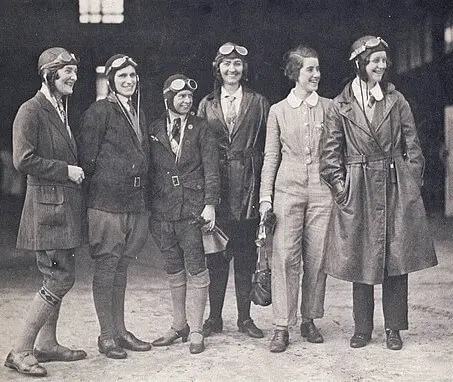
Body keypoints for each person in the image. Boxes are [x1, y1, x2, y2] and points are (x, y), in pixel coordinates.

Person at [319, 35, 438, 350]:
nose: (381, 67)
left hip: (395, 183)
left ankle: (394, 329)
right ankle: (362, 328)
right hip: (358, 187)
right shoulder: (340, 105)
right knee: (361, 257)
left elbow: (413, 145)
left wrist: (409, 183)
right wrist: (342, 189)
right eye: (375, 61)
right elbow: (330, 154)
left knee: (395, 258)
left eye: (384, 61)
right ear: (360, 64)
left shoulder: (396, 101)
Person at [5, 47, 86, 377]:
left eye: (75, 72)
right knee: (60, 276)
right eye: (66, 71)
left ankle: (47, 344)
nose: (73, 77)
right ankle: (21, 349)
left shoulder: (59, 108)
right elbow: (22, 160)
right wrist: (66, 170)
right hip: (46, 209)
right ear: (48, 74)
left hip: (60, 208)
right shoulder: (31, 110)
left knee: (59, 272)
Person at [259, 45, 333, 353]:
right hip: (287, 191)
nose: (316, 74)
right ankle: (281, 326)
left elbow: (337, 153)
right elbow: (271, 156)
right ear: (295, 73)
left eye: (317, 69)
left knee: (316, 259)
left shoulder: (330, 108)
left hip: (322, 193)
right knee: (284, 257)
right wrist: (266, 197)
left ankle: (309, 319)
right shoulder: (277, 110)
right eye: (309, 70)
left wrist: (339, 188)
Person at [77, 54, 151, 359]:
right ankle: (106, 336)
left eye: (132, 76)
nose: (129, 81)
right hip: (106, 203)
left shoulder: (136, 111)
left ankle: (121, 332)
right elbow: (88, 161)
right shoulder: (98, 112)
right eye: (122, 77)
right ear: (111, 81)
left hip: (133, 203)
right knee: (107, 267)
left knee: (121, 268)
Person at [197, 42, 270, 339]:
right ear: (218, 68)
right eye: (226, 64)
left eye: (237, 64)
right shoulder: (206, 104)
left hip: (249, 188)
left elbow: (268, 147)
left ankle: (244, 319)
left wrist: (266, 191)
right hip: (217, 190)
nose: (232, 69)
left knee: (244, 256)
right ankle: (214, 319)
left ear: (244, 69)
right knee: (215, 257)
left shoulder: (258, 102)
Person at [148, 74, 219, 354]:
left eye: (189, 97)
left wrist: (209, 204)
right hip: (163, 212)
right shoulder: (154, 129)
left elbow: (212, 170)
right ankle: (179, 325)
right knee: (173, 267)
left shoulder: (202, 128)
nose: (187, 101)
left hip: (192, 210)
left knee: (196, 266)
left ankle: (198, 329)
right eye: (181, 97)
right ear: (168, 99)